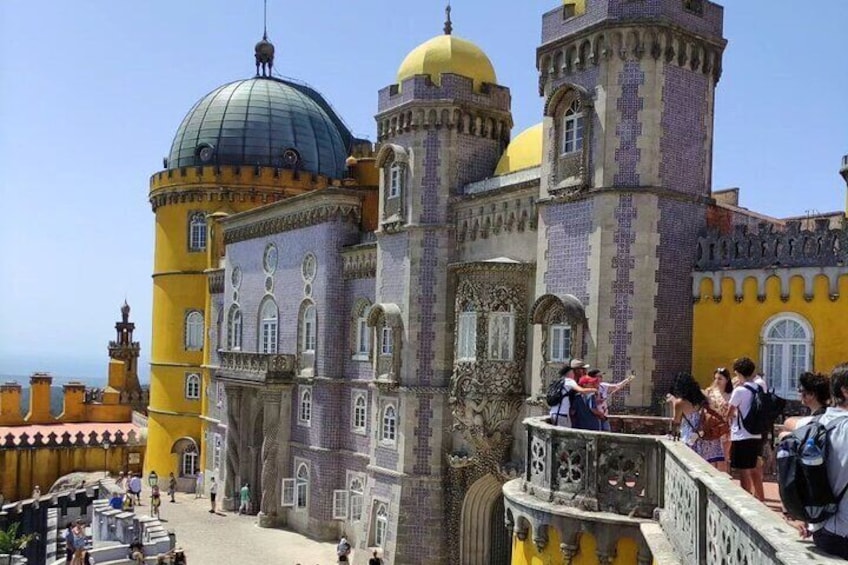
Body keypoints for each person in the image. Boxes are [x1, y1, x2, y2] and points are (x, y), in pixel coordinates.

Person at [789, 363, 848, 559]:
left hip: (821, 529)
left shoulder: (817, 423)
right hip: (843, 534)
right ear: (845, 391)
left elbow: (789, 426)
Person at [668, 372, 725, 468]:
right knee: (708, 470)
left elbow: (676, 422)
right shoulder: (703, 397)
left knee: (691, 470)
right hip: (706, 436)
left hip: (690, 439)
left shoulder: (680, 403)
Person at [727, 357, 765, 501]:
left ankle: (746, 500)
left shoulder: (739, 391)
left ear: (738, 373)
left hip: (741, 434)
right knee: (755, 465)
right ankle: (760, 498)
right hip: (756, 432)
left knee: (743, 470)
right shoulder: (760, 387)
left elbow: (729, 413)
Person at [548, 360, 597, 427]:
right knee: (565, 436)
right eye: (582, 369)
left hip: (554, 412)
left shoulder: (561, 381)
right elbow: (581, 390)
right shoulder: (570, 381)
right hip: (562, 414)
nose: (584, 371)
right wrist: (594, 390)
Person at [705, 367, 733, 471]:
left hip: (726, 428)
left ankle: (724, 477)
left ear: (727, 380)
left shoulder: (731, 394)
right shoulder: (710, 392)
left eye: (720, 379)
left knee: (724, 456)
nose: (717, 381)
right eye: (716, 378)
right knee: (711, 456)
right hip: (712, 426)